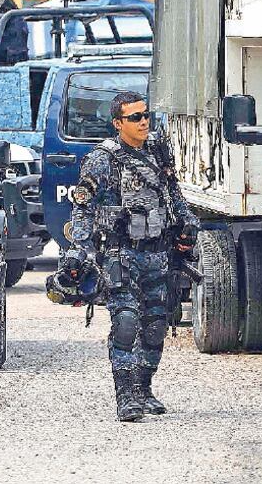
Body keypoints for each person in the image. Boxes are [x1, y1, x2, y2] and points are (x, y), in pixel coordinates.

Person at [59, 91, 199, 422]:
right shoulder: (102, 160)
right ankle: (126, 396)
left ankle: (144, 388)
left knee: (155, 326)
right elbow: (83, 208)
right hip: (121, 255)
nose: (144, 122)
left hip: (159, 254)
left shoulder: (157, 153)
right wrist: (78, 250)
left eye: (146, 115)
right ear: (118, 123)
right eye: (135, 117)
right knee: (125, 323)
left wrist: (188, 221)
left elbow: (172, 194)